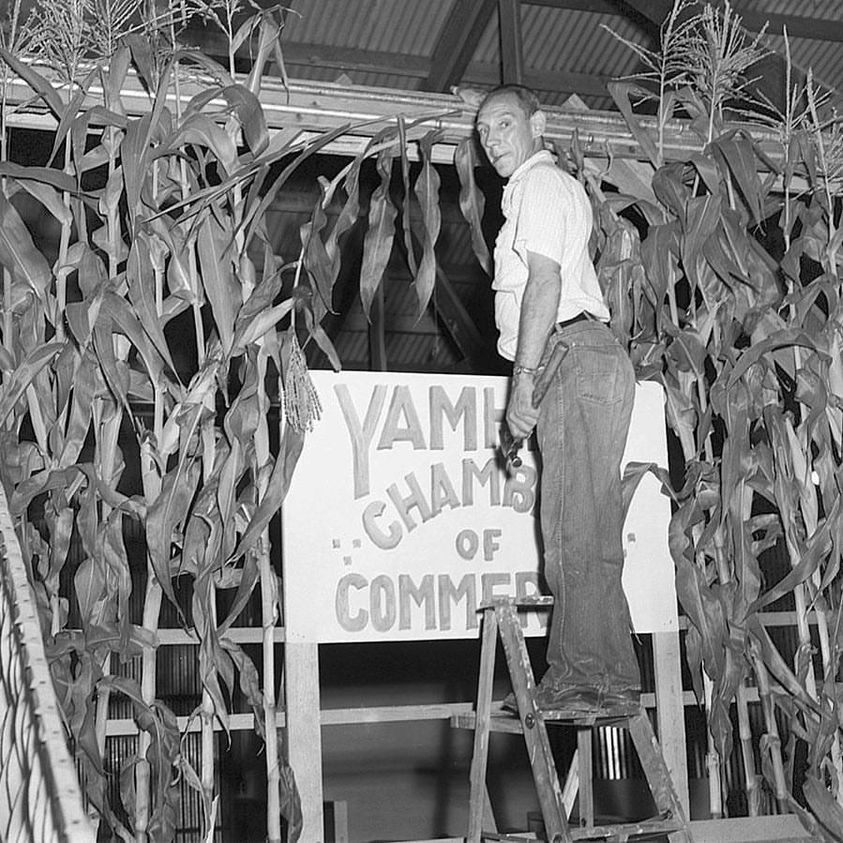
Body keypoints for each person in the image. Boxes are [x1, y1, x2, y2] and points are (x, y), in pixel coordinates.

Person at [475, 84, 640, 714]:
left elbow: (544, 284)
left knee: (571, 526)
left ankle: (576, 678)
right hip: (588, 358)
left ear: (537, 124)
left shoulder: (537, 187)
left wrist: (524, 378)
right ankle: (610, 676)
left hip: (569, 354)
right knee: (592, 524)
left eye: (504, 124)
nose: (491, 141)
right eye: (483, 132)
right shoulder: (553, 190)